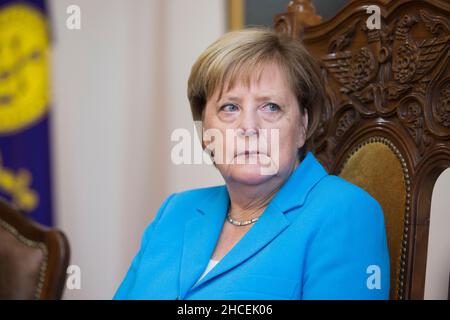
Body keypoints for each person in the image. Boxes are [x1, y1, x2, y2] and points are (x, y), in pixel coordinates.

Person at [114, 28, 389, 300]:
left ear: (302, 127)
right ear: (204, 133)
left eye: (270, 107)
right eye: (229, 108)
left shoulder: (345, 211)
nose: (248, 127)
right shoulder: (175, 211)